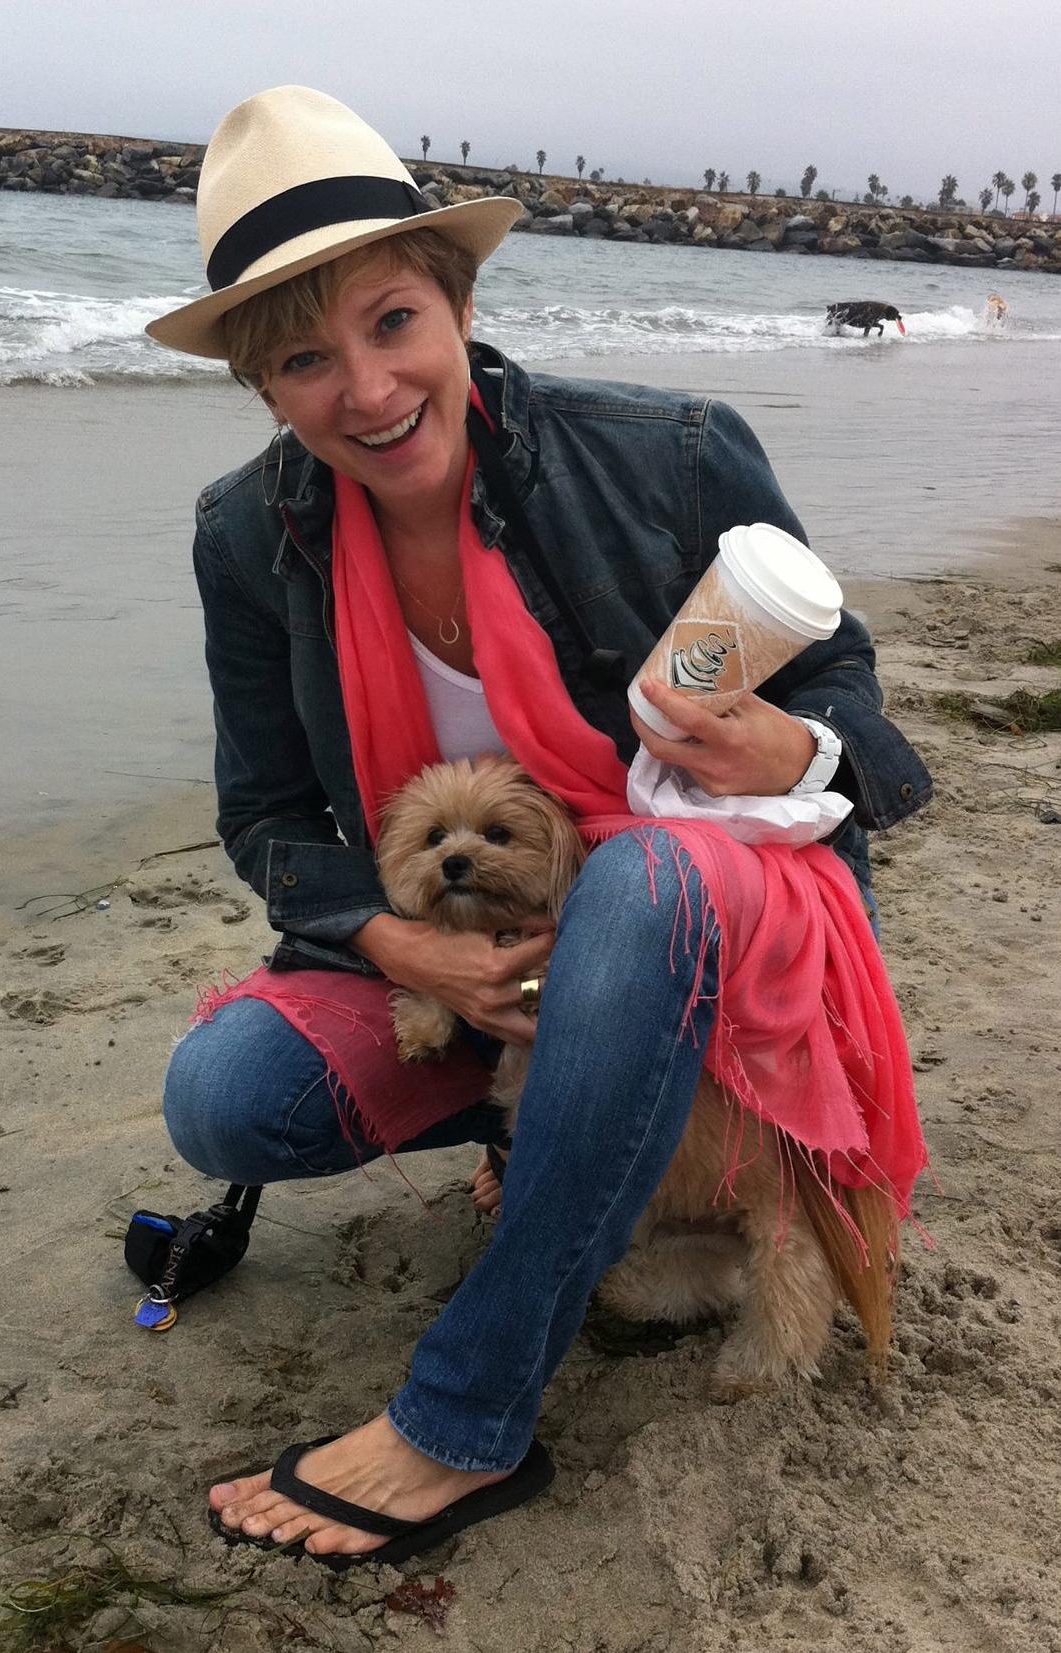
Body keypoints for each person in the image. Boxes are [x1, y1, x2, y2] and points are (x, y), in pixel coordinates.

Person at [148, 86, 931, 1567]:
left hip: (709, 929)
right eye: (305, 359)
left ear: (458, 301)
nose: (367, 390)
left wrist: (791, 740)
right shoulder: (248, 536)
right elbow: (265, 813)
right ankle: (559, 1132)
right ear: (262, 386)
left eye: (393, 322)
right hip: (478, 964)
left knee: (636, 885)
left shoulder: (669, 454)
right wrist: (407, 952)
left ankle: (464, 1417)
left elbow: (858, 713)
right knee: (224, 1096)